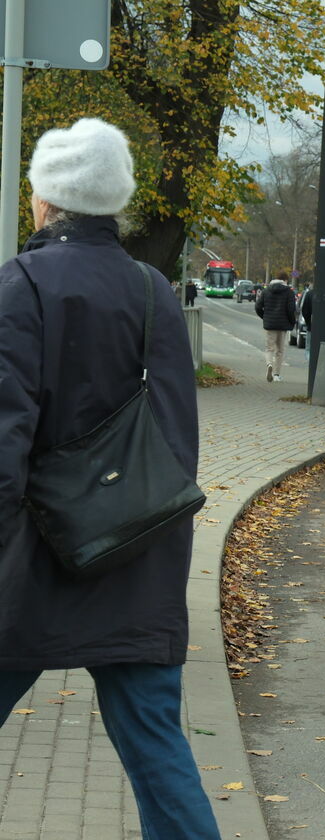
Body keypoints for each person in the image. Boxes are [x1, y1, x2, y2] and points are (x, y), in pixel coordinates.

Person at [0, 118, 219, 838]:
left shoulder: (18, 287)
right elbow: (177, 439)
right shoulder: (154, 289)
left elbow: (5, 446)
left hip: (27, 563)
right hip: (136, 557)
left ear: (44, 200)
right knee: (159, 753)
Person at [255, 271, 297, 381]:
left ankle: (269, 364)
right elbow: (291, 310)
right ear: (285, 280)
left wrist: (265, 317)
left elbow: (258, 307)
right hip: (282, 326)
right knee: (280, 350)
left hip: (270, 325)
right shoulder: (289, 292)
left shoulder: (266, 290)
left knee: (269, 348)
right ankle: (277, 375)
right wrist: (292, 322)